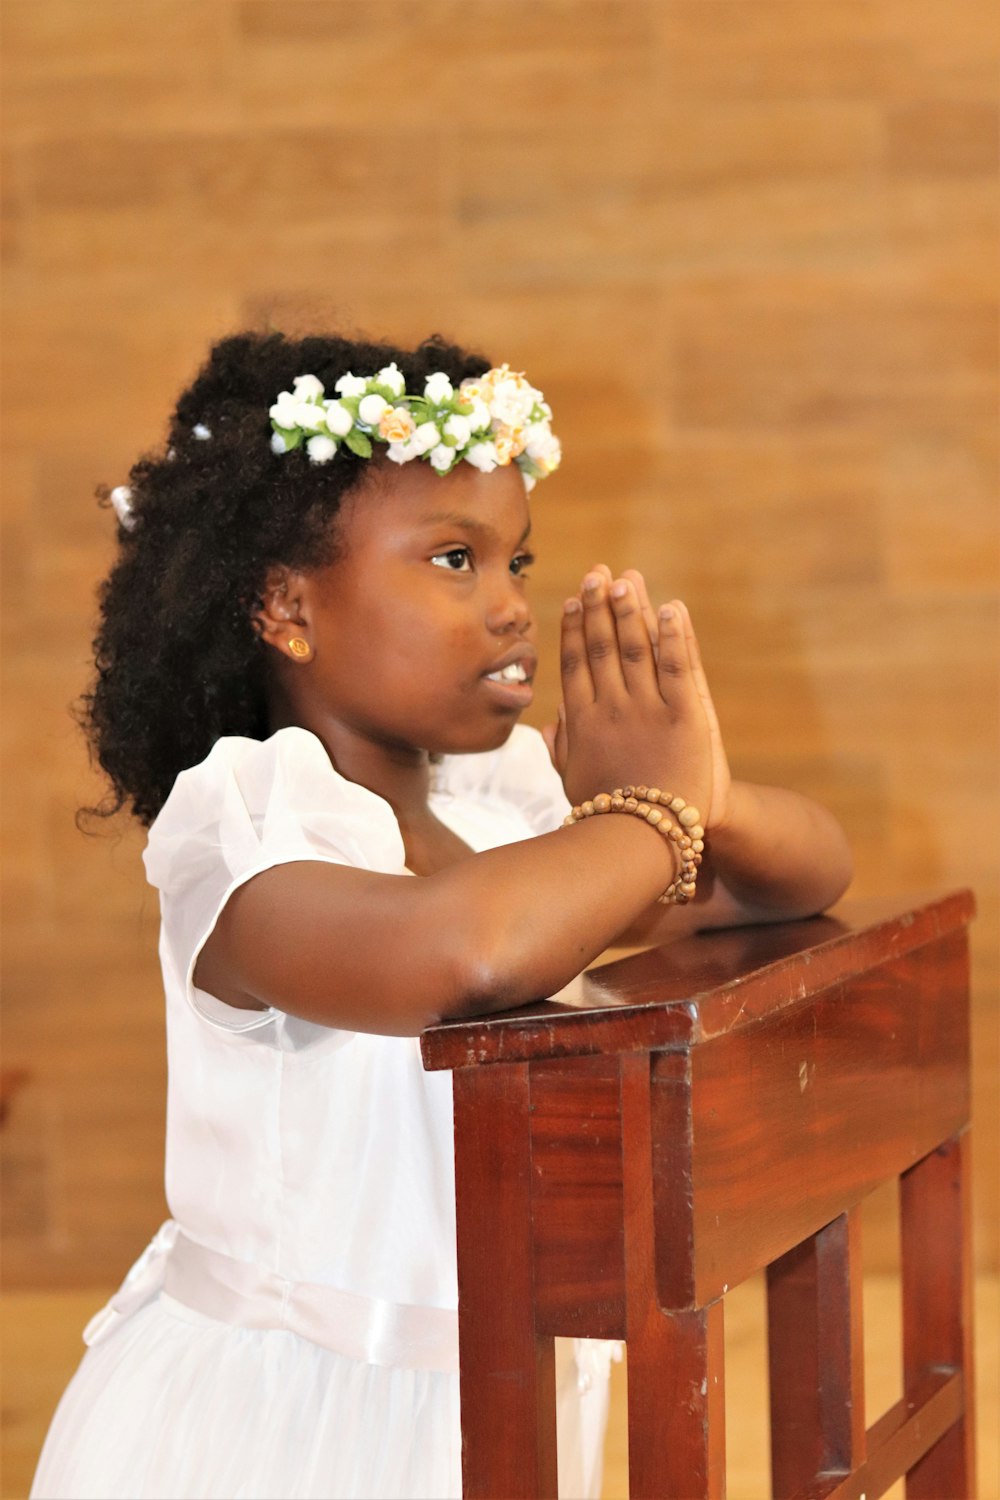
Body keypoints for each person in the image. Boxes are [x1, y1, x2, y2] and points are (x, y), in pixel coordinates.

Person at [31, 329, 852, 1500]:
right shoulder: (248, 820)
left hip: (494, 1393)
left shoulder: (506, 800)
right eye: (455, 560)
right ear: (285, 606)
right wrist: (646, 812)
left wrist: (698, 794)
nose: (514, 608)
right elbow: (460, 955)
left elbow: (805, 876)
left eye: (520, 561)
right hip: (279, 1426)